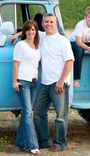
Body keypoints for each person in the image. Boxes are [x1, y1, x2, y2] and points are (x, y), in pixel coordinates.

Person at [11, 13, 75, 152]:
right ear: (43, 24)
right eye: (46, 22)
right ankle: (44, 141)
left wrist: (61, 81)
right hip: (44, 83)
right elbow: (30, 29)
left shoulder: (62, 40)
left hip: (59, 83)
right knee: (38, 113)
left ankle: (59, 143)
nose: (49, 24)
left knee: (61, 115)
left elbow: (69, 61)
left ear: (56, 23)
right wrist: (17, 34)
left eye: (51, 22)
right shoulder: (42, 36)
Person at [12, 20, 40, 155]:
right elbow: (16, 64)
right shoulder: (20, 45)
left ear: (36, 31)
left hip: (34, 82)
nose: (31, 32)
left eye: (33, 29)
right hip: (22, 82)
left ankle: (20, 142)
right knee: (28, 113)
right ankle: (32, 145)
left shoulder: (37, 45)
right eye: (28, 30)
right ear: (24, 32)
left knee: (27, 113)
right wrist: (15, 81)